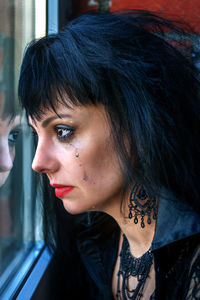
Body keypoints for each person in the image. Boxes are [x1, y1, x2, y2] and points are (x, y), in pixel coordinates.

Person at [18, 10, 200, 300]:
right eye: (34, 134)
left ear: (134, 121)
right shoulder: (91, 238)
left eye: (63, 131)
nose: (38, 163)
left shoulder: (192, 268)